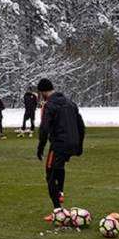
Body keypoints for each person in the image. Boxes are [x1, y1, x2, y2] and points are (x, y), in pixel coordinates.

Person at [36, 78, 84, 221]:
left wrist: (41, 146)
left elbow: (44, 128)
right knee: (59, 167)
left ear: (43, 92)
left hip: (59, 143)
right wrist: (80, 144)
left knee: (50, 173)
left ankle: (58, 211)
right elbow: (81, 125)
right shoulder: (70, 102)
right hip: (73, 142)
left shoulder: (49, 105)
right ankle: (60, 192)